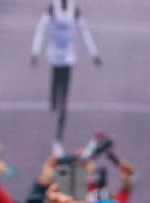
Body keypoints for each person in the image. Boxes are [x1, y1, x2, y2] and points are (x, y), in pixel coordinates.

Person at [30, 0, 102, 152]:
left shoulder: (74, 10)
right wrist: (35, 51)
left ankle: (60, 128)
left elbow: (84, 32)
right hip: (55, 55)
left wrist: (94, 53)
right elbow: (41, 29)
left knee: (64, 94)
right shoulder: (52, 8)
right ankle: (54, 98)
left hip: (68, 56)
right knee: (55, 87)